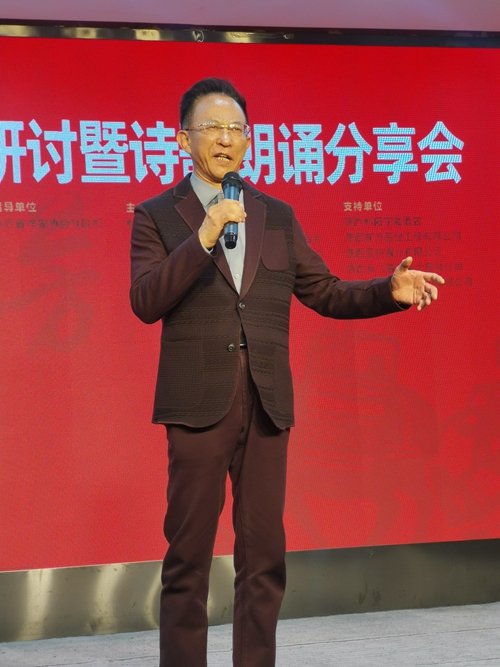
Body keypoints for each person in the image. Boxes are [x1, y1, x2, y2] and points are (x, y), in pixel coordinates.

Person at [129, 77, 444, 667]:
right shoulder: (156, 215)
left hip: (267, 406)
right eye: (213, 127)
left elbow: (324, 291)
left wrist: (389, 290)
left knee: (264, 559)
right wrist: (204, 234)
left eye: (237, 129)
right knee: (188, 561)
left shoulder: (275, 215)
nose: (227, 139)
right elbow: (145, 301)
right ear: (183, 139)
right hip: (196, 407)